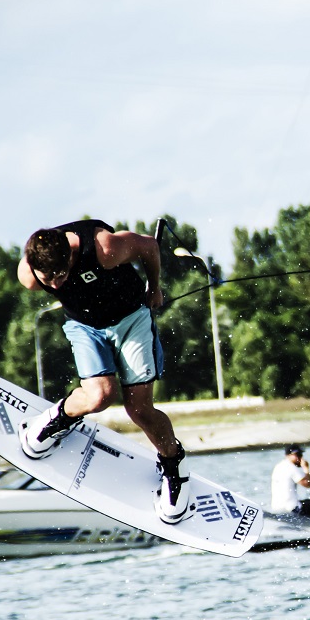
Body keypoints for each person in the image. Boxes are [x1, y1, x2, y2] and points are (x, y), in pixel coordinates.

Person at [17, 218, 192, 523]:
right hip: (85, 326)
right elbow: (46, 277)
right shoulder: (30, 274)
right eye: (48, 279)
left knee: (139, 409)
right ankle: (55, 420)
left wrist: (154, 287)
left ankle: (174, 466)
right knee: (99, 397)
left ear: (70, 255)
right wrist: (51, 277)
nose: (55, 285)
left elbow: (149, 247)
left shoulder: (104, 248)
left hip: (131, 319)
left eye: (60, 276)